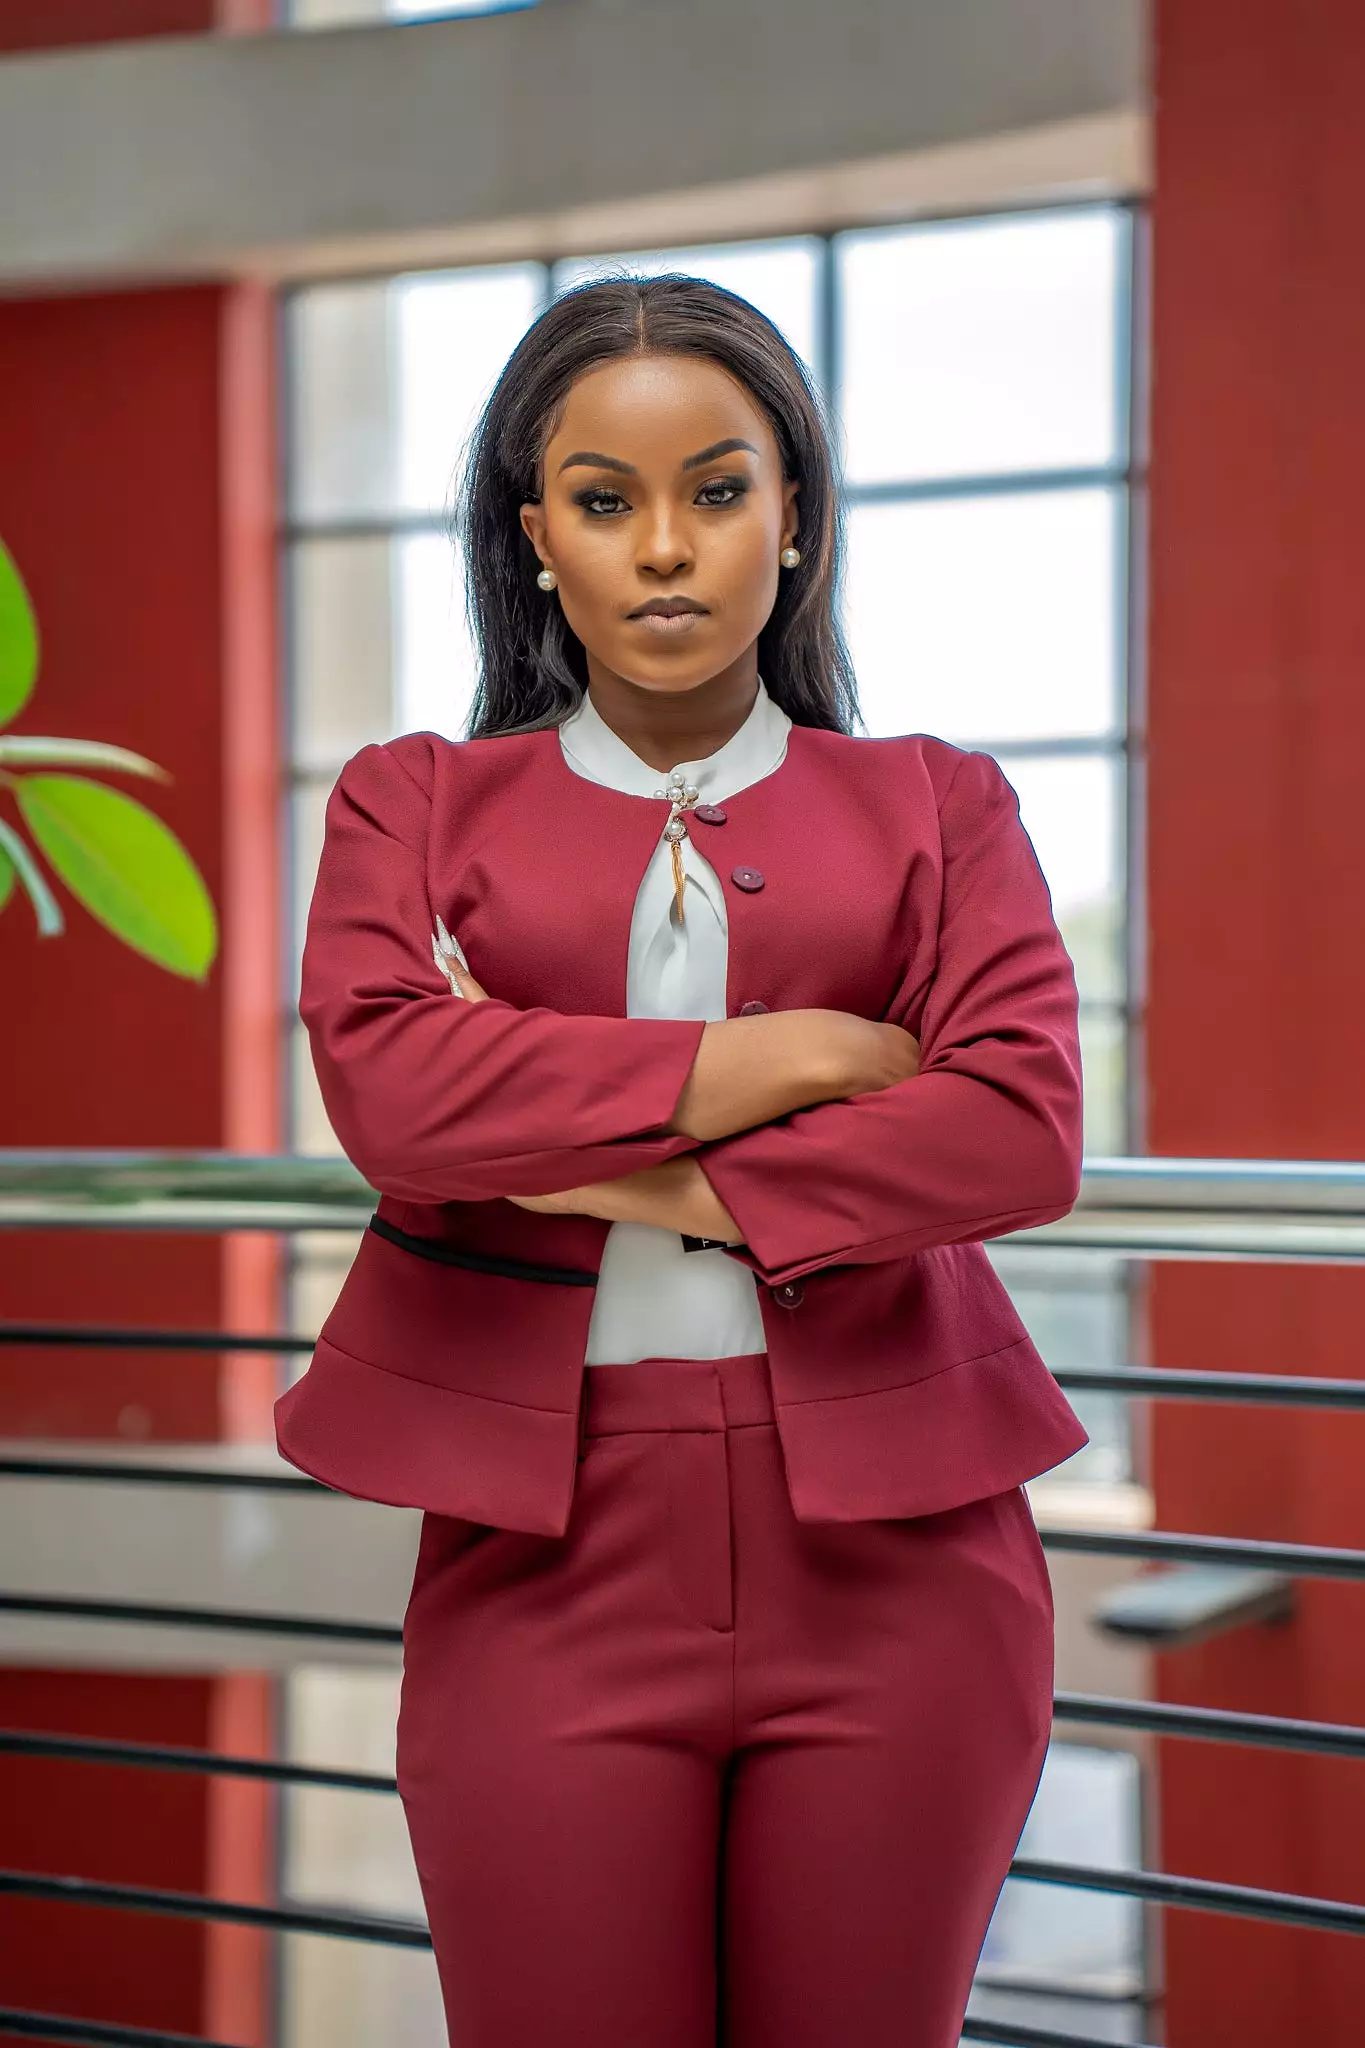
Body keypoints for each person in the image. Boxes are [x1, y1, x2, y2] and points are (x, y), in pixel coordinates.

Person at [274, 272, 1089, 2048]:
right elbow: (397, 1099)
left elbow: (1019, 1129)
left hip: (908, 1555)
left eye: (718, 492)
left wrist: (605, 1163)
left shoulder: (942, 805)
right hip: (546, 1555)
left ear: (795, 519)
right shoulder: (410, 802)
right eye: (603, 499)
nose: (664, 549)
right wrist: (786, 1059)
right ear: (534, 537)